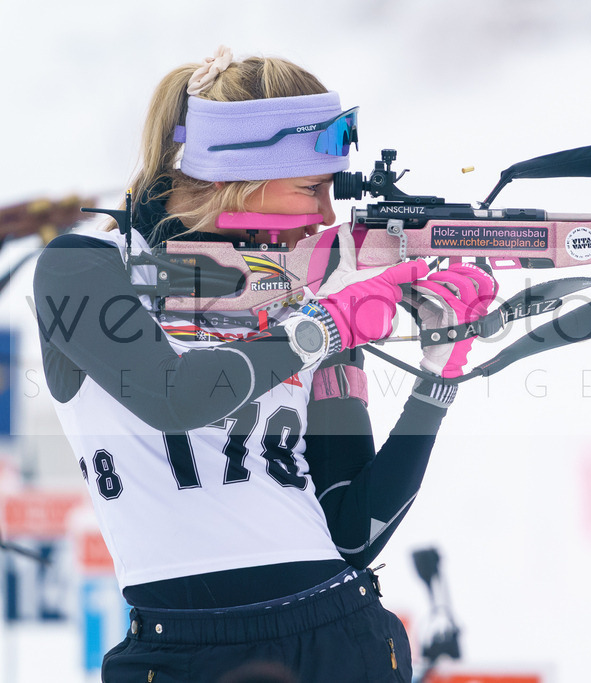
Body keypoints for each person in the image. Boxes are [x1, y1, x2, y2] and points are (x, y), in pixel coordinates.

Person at [33, 46, 497, 683]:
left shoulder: (305, 297)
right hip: (172, 654)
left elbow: (353, 530)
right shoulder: (84, 266)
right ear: (237, 178)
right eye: (311, 187)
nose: (328, 216)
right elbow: (174, 397)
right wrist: (330, 324)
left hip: (337, 637)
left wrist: (437, 380)